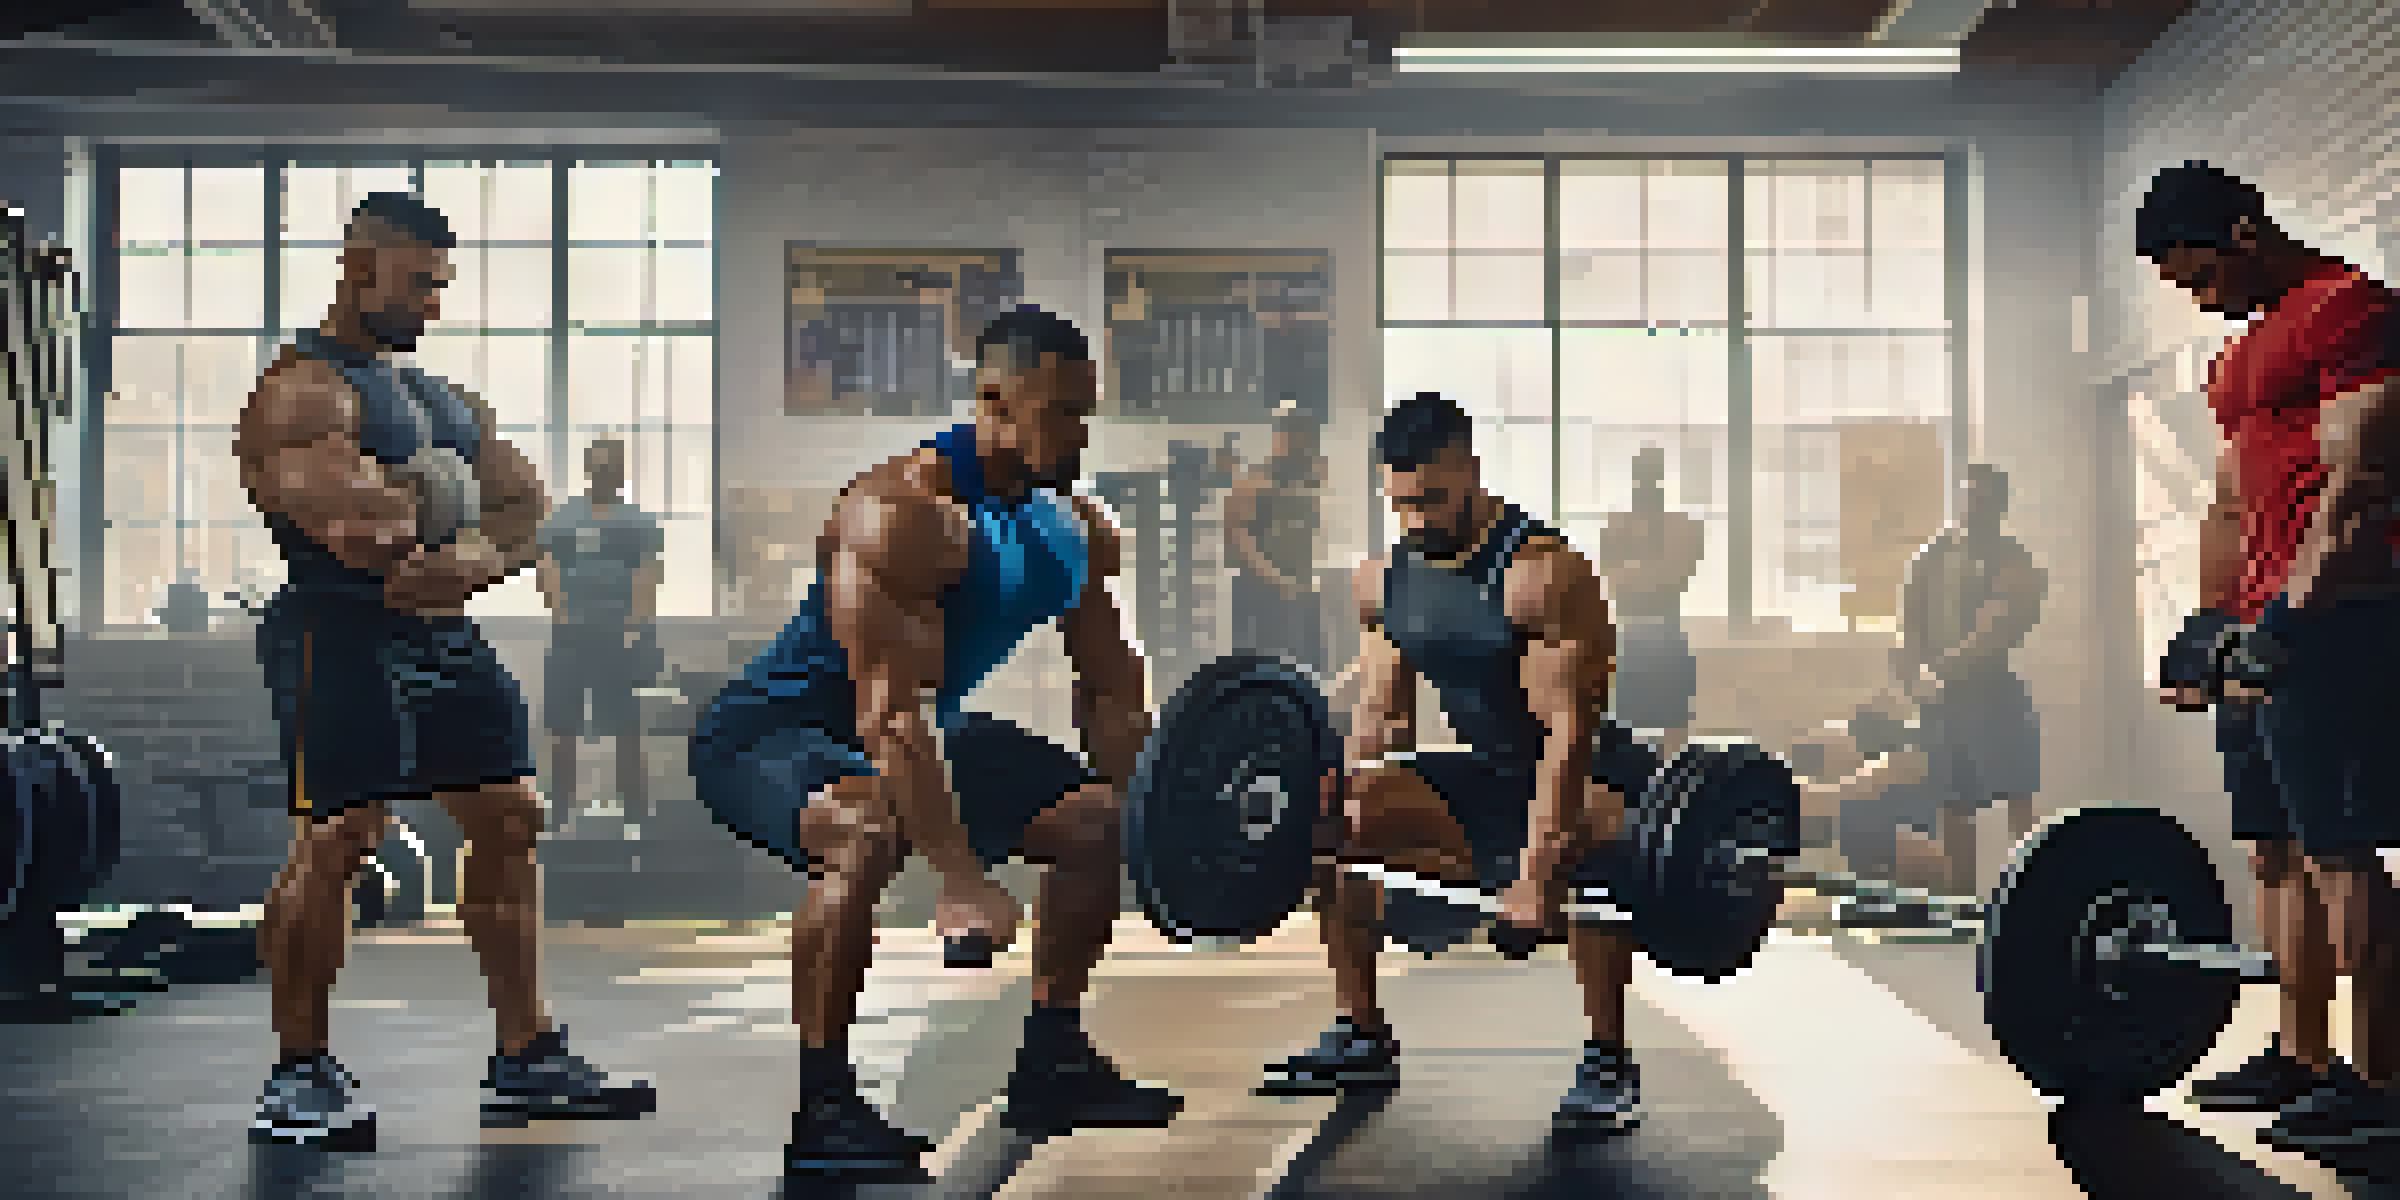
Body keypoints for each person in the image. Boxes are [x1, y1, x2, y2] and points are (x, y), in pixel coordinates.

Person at [689, 306, 1181, 1180]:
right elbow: (890, 718)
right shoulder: (899, 513)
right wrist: (959, 881)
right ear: (994, 400)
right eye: (1059, 412)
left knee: (1097, 824)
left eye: (1085, 412)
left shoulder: (1077, 530)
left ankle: (1053, 1061)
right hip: (775, 731)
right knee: (865, 830)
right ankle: (827, 1105)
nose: (1078, 435)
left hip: (923, 725)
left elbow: (1110, 693)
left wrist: (1161, 821)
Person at [234, 192, 655, 1150]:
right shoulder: (301, 394)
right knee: (343, 830)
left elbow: (527, 511)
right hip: (333, 630)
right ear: (357, 266)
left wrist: (466, 557)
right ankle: (299, 1070)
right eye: (418, 282)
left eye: (440, 285)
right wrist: (448, 510)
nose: (432, 304)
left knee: (510, 813)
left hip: (443, 629)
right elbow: (362, 531)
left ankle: (526, 1055)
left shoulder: (444, 401)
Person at [1259, 391, 1645, 1138]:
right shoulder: (1383, 582)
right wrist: (1342, 792)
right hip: (1491, 771)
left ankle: (1608, 1057)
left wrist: (1535, 878)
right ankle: (1363, 1034)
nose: (1419, 520)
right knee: (1339, 819)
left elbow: (1568, 733)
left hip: (1591, 773)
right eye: (1402, 503)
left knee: (1591, 843)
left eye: (1433, 499)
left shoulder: (1539, 574)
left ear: (1470, 468)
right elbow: (1383, 716)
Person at [2142, 161, 2400, 1150]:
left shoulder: (2348, 309)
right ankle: (2302, 1055)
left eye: (2203, 277)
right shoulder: (2236, 361)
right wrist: (2210, 622)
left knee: (2343, 856)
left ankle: (2380, 1086)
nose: (2202, 300)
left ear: (2247, 232)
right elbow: (2225, 504)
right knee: (2275, 850)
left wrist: (2293, 616)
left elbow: (2361, 481)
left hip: (2343, 616)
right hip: (2261, 627)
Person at [1889, 463, 2046, 901]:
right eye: (1967, 497)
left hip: (1994, 691)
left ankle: (2029, 897)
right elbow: (1909, 624)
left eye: (1983, 499)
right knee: (1953, 800)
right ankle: (1958, 901)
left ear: (2000, 506)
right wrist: (1911, 677)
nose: (1972, 507)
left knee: (2018, 793)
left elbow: (1999, 624)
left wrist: (1941, 669)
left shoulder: (2014, 560)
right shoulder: (1931, 556)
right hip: (1943, 700)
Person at [536, 437, 667, 831]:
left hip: (620, 638)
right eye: (597, 466)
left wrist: (636, 626)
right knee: (564, 730)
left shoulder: (638, 521)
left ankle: (635, 816)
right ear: (587, 469)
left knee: (627, 729)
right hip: (571, 637)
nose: (603, 473)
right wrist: (560, 615)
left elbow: (648, 574)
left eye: (610, 467)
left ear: (620, 473)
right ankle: (560, 815)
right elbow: (547, 567)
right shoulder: (563, 518)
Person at [1596, 445, 1704, 759]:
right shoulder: (1620, 525)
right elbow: (1613, 577)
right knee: (1622, 730)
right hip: (1632, 635)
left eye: (1652, 474)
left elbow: (1677, 574)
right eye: (1643, 474)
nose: (1646, 483)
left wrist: (1638, 568)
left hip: (1664, 634)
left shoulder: (1679, 526)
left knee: (1672, 732)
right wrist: (1649, 570)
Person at [1225, 401, 1329, 674]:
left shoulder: (1310, 479)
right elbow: (1237, 534)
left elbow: (1315, 533)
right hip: (1263, 594)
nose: (1302, 443)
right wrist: (1277, 580)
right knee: (1262, 674)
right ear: (1280, 437)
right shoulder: (1255, 481)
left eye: (1307, 436)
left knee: (1307, 673)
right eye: (1292, 434)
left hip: (1301, 594)